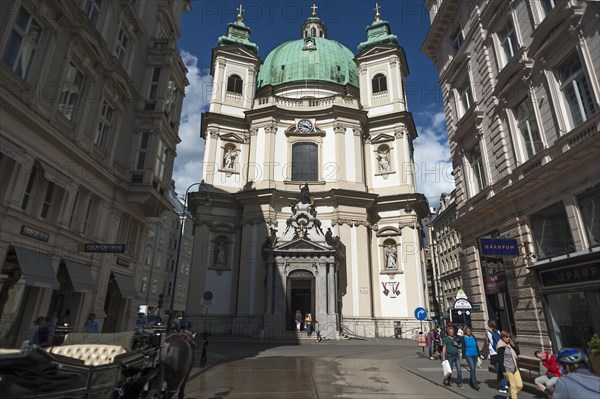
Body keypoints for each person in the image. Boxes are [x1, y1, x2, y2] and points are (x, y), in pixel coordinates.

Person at [497, 330, 522, 399]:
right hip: (508, 368)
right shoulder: (501, 346)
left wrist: (513, 344)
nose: (509, 338)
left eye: (509, 337)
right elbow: (500, 360)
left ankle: (512, 397)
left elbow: (518, 352)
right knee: (513, 386)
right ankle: (514, 397)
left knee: (520, 385)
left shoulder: (509, 344)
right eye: (507, 337)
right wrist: (503, 370)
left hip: (515, 367)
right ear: (503, 338)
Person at [487, 319, 509, 394]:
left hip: (494, 352)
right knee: (500, 368)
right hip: (500, 351)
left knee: (499, 369)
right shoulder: (498, 331)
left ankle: (504, 385)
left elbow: (491, 342)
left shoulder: (488, 332)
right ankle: (502, 382)